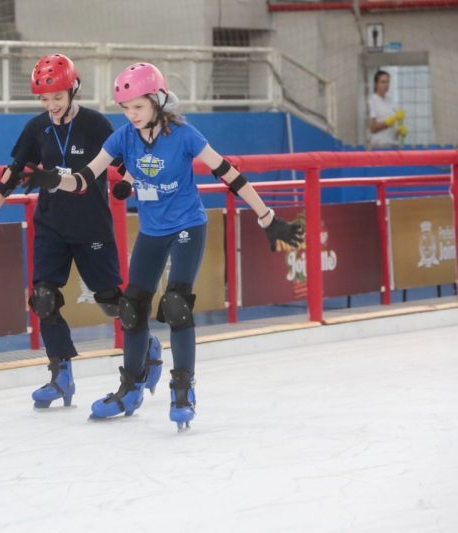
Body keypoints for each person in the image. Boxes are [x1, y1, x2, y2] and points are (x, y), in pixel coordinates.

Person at [21, 63, 303, 430]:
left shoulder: (184, 135)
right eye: (125, 108)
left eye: (137, 107)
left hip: (188, 226)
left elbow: (229, 174)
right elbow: (83, 180)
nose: (131, 115)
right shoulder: (123, 136)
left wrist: (267, 217)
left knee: (176, 305)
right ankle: (130, 388)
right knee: (132, 309)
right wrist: (52, 179)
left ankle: (183, 390)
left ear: (157, 101)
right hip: (153, 231)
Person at [0, 54, 163, 409]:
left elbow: (132, 159)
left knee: (111, 303)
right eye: (44, 99)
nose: (51, 105)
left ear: (73, 90)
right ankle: (60, 376)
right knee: (43, 298)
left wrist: (127, 183)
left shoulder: (94, 124)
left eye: (57, 97)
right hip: (50, 226)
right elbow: (14, 171)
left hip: (91, 225)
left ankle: (147, 345)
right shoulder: (37, 128)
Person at [368, 69, 407, 147]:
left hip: (394, 145)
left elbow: (395, 123)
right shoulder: (372, 101)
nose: (386, 85)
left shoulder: (391, 102)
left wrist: (400, 130)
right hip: (379, 147)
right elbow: (373, 128)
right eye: (383, 82)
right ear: (376, 84)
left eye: (387, 82)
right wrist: (388, 122)